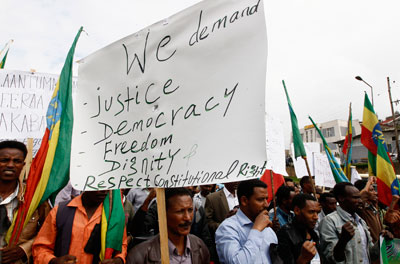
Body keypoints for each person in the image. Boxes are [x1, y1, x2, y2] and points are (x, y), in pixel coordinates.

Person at [32, 190, 128, 264]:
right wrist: (53, 261)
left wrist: (118, 260)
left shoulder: (114, 218)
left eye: (106, 184)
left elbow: (121, 246)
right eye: (97, 184)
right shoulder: (60, 212)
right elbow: (40, 248)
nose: (103, 190)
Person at [127, 188, 210, 264]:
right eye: (180, 211)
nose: (188, 218)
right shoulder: (140, 256)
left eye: (190, 210)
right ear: (163, 213)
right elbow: (138, 228)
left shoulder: (200, 247)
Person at [0, 140, 50, 264]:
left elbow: (48, 232)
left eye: (16, 161)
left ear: (23, 165)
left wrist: (23, 249)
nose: (10, 165)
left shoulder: (34, 198)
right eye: (5, 160)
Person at [319, 182, 391, 263]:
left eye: (360, 198)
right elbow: (331, 258)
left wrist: (381, 241)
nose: (360, 201)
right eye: (355, 198)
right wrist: (343, 240)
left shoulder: (361, 222)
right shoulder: (329, 221)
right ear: (341, 198)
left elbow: (370, 254)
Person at [215, 179, 277, 264]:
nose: (266, 204)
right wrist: (256, 229)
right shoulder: (227, 228)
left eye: (266, 199)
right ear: (244, 201)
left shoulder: (268, 229)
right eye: (260, 199)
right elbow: (236, 262)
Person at [277, 194, 324, 264]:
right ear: (297, 210)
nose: (316, 217)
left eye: (317, 212)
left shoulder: (314, 234)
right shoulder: (285, 234)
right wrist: (303, 259)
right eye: (311, 212)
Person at [354, 177, 383, 243]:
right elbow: (362, 194)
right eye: (371, 190)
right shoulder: (361, 206)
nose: (375, 193)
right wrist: (369, 182)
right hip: (370, 245)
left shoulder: (372, 205)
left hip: (379, 244)